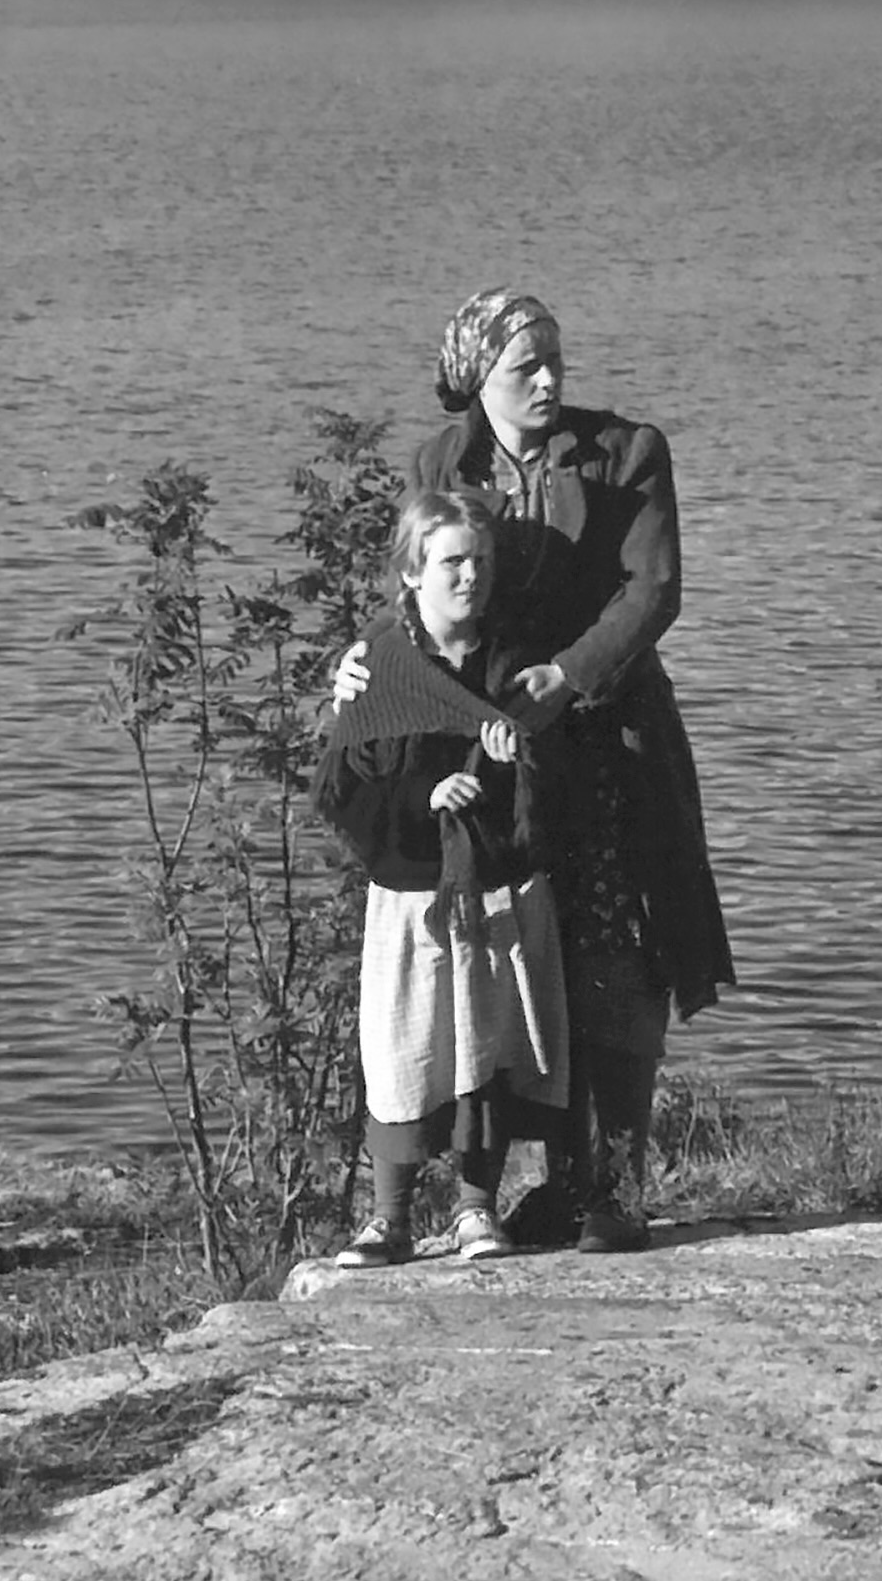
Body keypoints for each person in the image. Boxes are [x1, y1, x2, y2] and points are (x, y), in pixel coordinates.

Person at [334, 287, 734, 1254]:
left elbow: (654, 590)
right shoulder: (441, 465)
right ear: (480, 377)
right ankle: (541, 1188)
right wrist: (362, 660)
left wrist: (571, 673)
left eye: (555, 360)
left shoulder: (627, 453)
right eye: (526, 367)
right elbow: (416, 585)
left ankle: (614, 1189)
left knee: (617, 958)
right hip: (492, 749)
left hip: (609, 741)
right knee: (515, 963)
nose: (550, 380)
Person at [311, 489, 570, 1267]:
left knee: (484, 1054)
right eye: (452, 560)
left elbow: (554, 786)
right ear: (412, 572)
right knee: (403, 1054)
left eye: (480, 560)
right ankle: (388, 1219)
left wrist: (513, 759)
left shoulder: (516, 666)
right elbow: (346, 794)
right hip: (412, 895)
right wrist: (424, 797)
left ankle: (475, 1211)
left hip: (497, 888)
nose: (469, 575)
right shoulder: (381, 667)